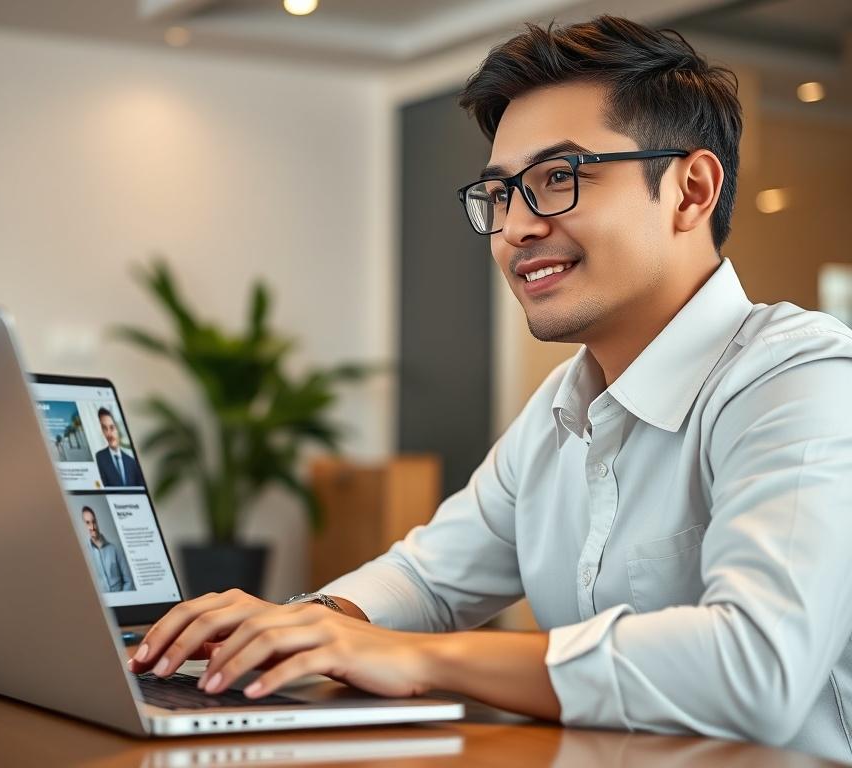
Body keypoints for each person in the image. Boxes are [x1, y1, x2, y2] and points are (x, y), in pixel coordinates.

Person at [127, 16, 852, 761]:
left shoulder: (801, 377)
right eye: (501, 194)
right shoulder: (563, 410)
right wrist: (308, 624)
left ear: (690, 190)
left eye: (557, 180)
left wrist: (424, 659)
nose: (516, 229)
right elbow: (429, 580)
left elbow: (758, 664)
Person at [82, 505, 134, 592]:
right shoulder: (83, 553)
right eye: (88, 523)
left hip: (121, 601)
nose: (92, 527)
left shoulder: (114, 549)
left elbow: (128, 581)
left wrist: (123, 600)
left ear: (97, 521)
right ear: (84, 525)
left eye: (93, 521)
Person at [94, 407, 143, 487]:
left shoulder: (132, 462)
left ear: (118, 429)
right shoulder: (100, 457)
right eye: (104, 428)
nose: (109, 434)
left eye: (112, 427)